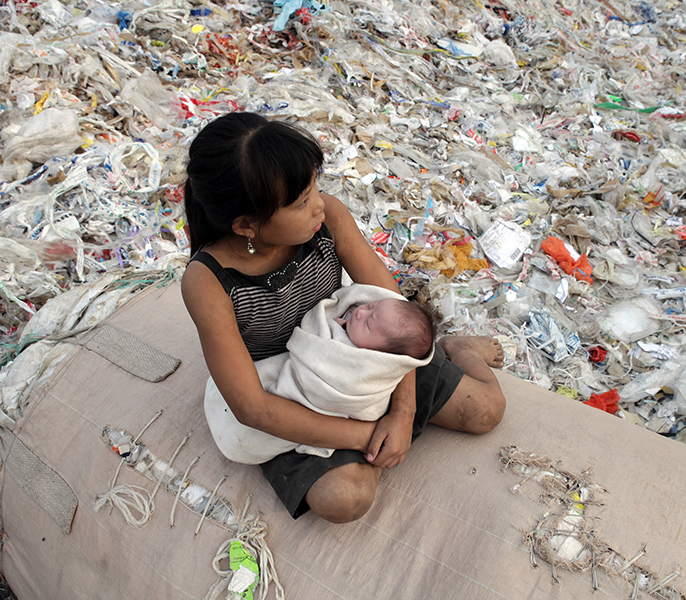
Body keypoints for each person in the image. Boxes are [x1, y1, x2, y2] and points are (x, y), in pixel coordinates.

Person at [181, 112, 506, 523]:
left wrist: (401, 414)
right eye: (300, 202)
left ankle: (452, 348)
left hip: (366, 350)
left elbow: (391, 300)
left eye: (314, 186)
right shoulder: (208, 282)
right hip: (294, 391)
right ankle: (361, 444)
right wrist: (371, 434)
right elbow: (253, 408)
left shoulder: (327, 218)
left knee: (487, 411)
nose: (319, 204)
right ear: (246, 225)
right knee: (343, 500)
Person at [205, 284, 437, 465]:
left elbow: (337, 377)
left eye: (368, 325)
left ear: (380, 356)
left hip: (323, 399)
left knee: (473, 411)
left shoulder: (361, 366)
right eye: (370, 306)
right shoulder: (356, 324)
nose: (359, 313)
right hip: (266, 402)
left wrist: (403, 412)